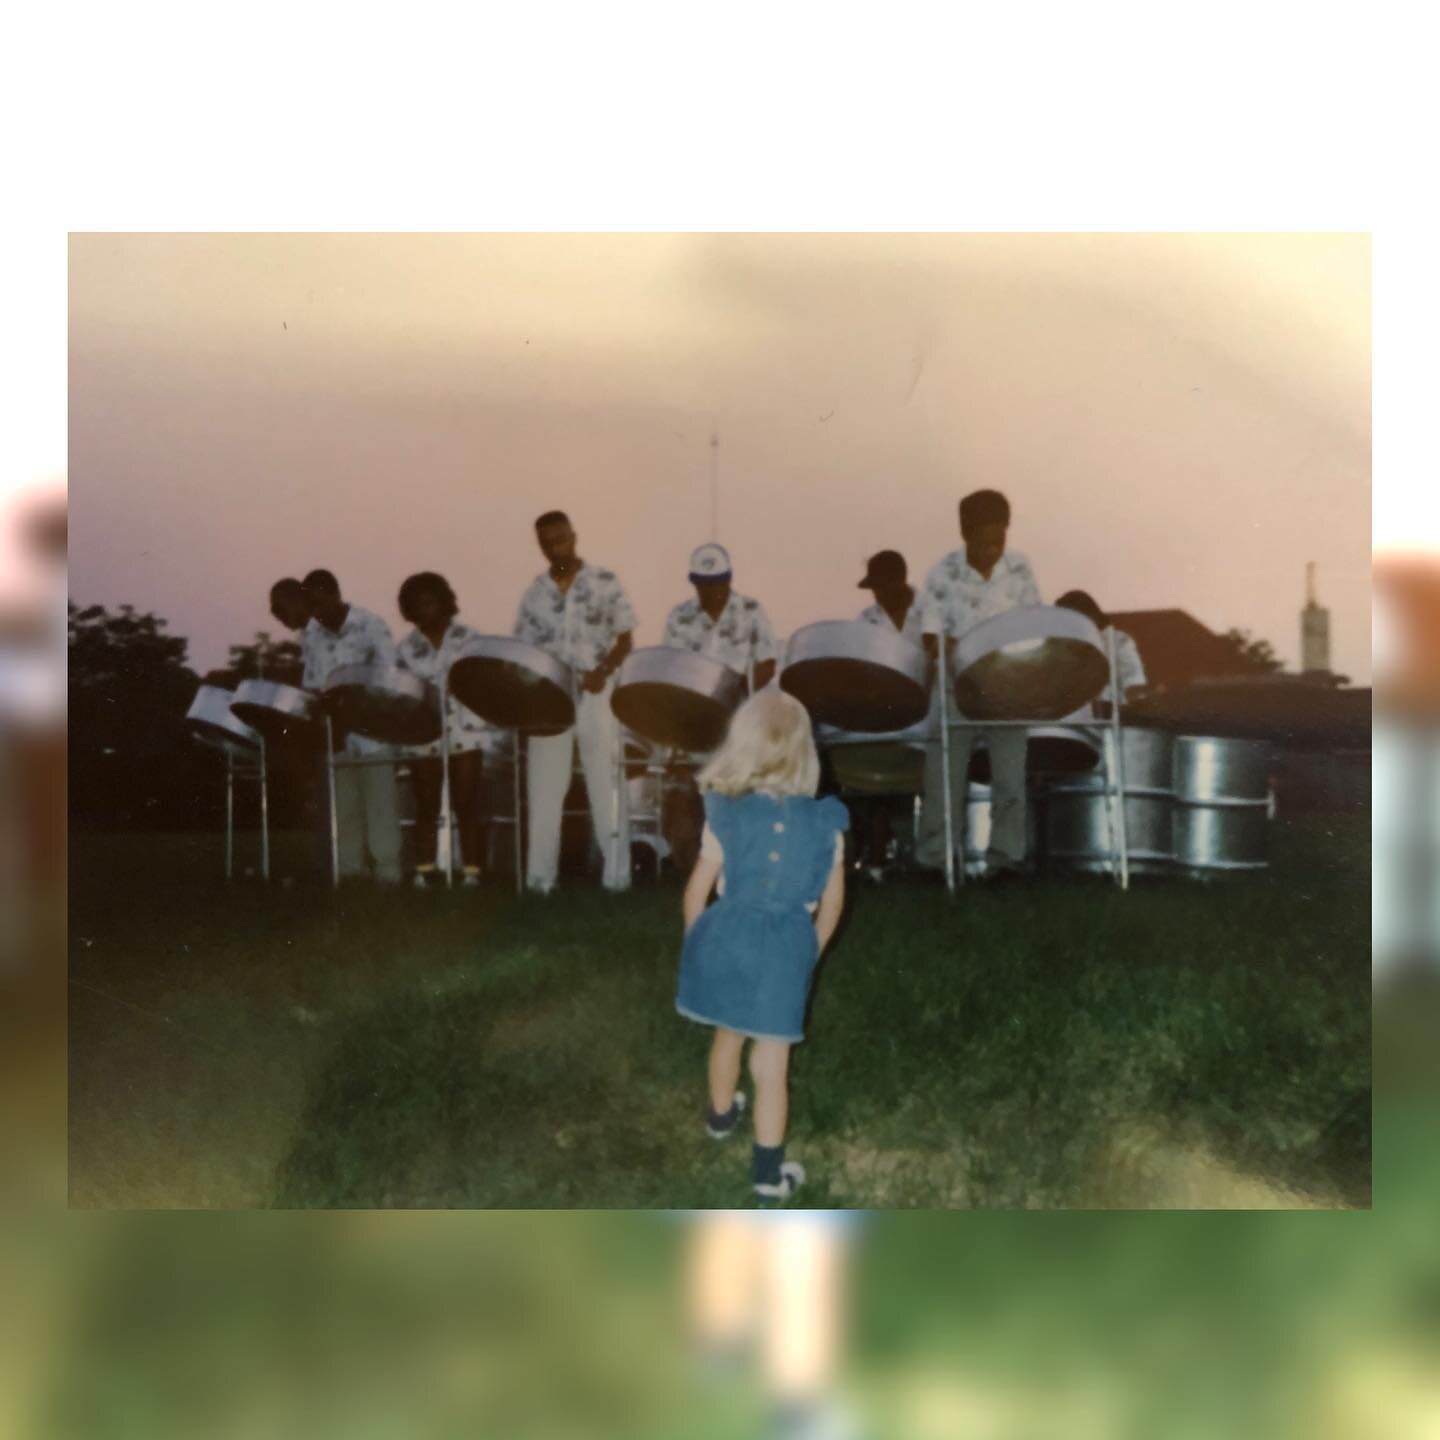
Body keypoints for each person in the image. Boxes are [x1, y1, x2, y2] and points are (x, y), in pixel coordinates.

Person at [676, 688, 848, 1205]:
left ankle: (722, 1113)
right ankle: (768, 1176)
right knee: (772, 1067)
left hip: (726, 939)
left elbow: (696, 892)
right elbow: (833, 904)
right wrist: (809, 953)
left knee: (728, 1035)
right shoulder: (826, 825)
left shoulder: (724, 814)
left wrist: (697, 942)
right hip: (786, 947)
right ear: (805, 753)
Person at [916, 489, 1041, 880]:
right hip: (957, 685)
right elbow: (930, 636)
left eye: (999, 539)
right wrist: (966, 659)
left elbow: (1034, 627)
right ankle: (936, 862)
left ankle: (1006, 861)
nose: (991, 549)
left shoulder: (1019, 569)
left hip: (1009, 687)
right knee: (944, 778)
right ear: (964, 533)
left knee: (1010, 777)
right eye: (983, 540)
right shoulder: (942, 573)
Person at [513, 511, 636, 894]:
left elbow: (625, 638)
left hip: (599, 690)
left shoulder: (604, 581)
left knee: (606, 782)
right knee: (545, 787)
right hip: (551, 698)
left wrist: (604, 669)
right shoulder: (534, 593)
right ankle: (539, 881)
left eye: (560, 539)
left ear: (574, 536)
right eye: (546, 542)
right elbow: (524, 650)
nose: (554, 548)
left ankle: (617, 878)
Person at [661, 542, 782, 870]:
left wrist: (736, 691)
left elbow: (768, 662)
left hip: (739, 717)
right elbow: (671, 668)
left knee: (741, 792)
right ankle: (692, 867)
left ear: (730, 579)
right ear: (693, 582)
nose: (712, 591)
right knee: (692, 793)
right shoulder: (679, 617)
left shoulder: (752, 611)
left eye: (718, 583)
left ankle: (745, 865)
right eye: (704, 584)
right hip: (693, 720)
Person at [299, 569, 403, 884]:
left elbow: (389, 677)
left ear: (335, 595)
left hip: (373, 726)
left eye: (320, 603)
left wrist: (357, 705)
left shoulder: (371, 625)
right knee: (344, 804)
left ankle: (388, 873)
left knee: (380, 802)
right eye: (311, 606)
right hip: (336, 730)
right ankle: (350, 870)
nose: (317, 612)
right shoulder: (312, 633)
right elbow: (312, 683)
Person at [395, 571, 495, 888]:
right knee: (426, 802)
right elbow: (400, 694)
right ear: (409, 610)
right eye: (417, 605)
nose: (425, 610)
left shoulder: (470, 637)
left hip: (466, 729)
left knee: (466, 802)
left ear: (444, 602)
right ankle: (425, 870)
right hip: (423, 732)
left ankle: (472, 871)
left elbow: (485, 681)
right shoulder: (406, 649)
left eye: (430, 602)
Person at [848, 550, 925, 880]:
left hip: (924, 716)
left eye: (881, 585)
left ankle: (923, 857)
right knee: (870, 774)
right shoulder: (866, 620)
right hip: (881, 715)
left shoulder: (930, 613)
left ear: (900, 582)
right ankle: (877, 854)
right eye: (873, 587)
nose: (876, 594)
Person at [1054, 589, 1149, 716]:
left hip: (1110, 719)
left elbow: (1134, 685)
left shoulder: (1118, 641)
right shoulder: (1062, 648)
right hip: (1074, 721)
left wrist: (1138, 706)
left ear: (1090, 616)